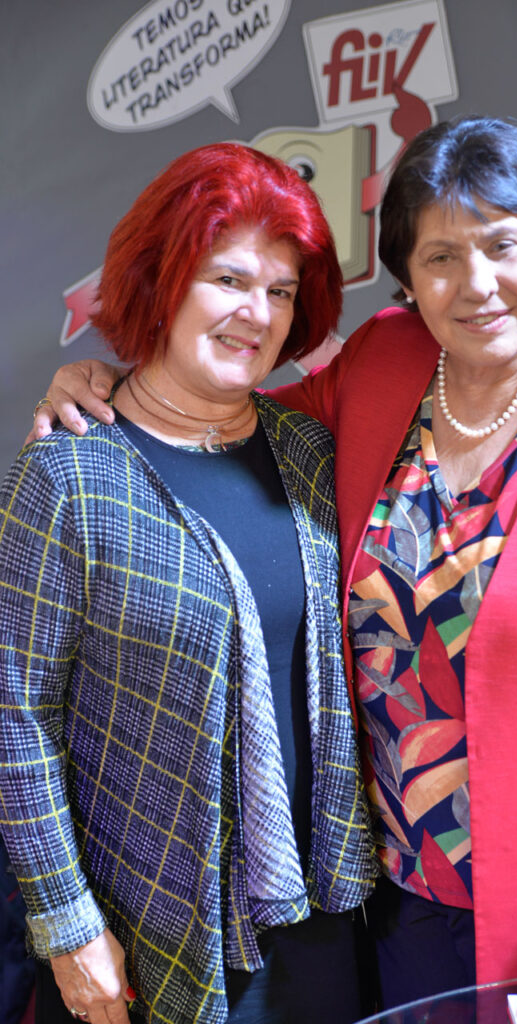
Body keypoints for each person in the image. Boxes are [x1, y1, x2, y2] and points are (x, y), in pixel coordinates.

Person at [31, 115, 517, 1024]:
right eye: (440, 257)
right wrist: (108, 381)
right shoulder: (386, 362)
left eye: (502, 245)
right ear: (408, 282)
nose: (475, 284)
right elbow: (216, 412)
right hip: (382, 892)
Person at [0, 143, 378, 1024]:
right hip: (143, 932)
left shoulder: (307, 452)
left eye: (280, 291)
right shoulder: (69, 475)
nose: (257, 313)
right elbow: (15, 715)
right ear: (162, 282)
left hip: (319, 916)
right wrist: (66, 924)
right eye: (228, 280)